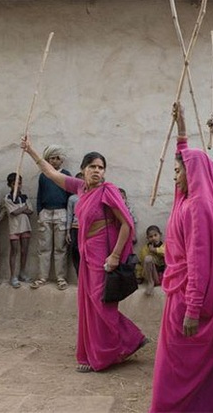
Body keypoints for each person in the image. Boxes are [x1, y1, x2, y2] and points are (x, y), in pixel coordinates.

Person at [20, 137, 146, 373]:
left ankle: (120, 346)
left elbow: (126, 224)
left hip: (103, 254)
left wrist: (115, 256)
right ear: (83, 170)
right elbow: (51, 174)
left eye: (101, 167)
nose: (97, 171)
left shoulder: (108, 191)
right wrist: (32, 152)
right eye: (92, 167)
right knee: (88, 304)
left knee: (102, 302)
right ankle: (102, 350)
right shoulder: (79, 188)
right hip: (85, 252)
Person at [150, 103, 213, 412]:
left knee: (176, 366)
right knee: (190, 366)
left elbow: (199, 261)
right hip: (183, 291)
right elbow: (186, 167)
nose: (174, 178)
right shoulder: (188, 201)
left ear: (191, 172)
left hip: (189, 296)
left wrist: (192, 309)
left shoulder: (198, 206)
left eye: (177, 172)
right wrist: (182, 131)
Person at [31, 145, 71, 291]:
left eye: (56, 158)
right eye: (51, 158)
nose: (54, 161)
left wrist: (68, 215)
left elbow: (69, 196)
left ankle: (61, 278)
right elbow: (40, 195)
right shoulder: (43, 175)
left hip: (61, 213)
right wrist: (40, 212)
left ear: (61, 160)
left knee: (60, 248)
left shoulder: (66, 175)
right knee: (44, 247)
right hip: (46, 213)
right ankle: (42, 277)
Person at [4, 173, 34, 289]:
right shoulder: (8, 198)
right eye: (14, 184)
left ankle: (22, 273)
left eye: (19, 183)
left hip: (25, 226)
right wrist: (24, 208)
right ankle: (13, 276)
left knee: (24, 251)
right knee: (14, 251)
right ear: (9, 185)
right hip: (14, 227)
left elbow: (31, 211)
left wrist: (21, 209)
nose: (17, 186)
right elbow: (14, 212)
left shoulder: (25, 197)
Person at [136, 225, 166, 296]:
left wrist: (155, 250)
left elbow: (168, 254)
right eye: (151, 236)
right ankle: (150, 283)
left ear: (160, 235)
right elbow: (140, 263)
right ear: (147, 238)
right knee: (148, 258)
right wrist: (138, 276)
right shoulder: (145, 249)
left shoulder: (164, 246)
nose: (153, 238)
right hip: (152, 275)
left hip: (163, 275)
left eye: (155, 235)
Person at [66, 173, 83, 275]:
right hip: (75, 229)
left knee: (86, 253)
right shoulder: (72, 198)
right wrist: (68, 231)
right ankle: (79, 275)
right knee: (75, 251)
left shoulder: (91, 196)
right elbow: (69, 215)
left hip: (87, 229)